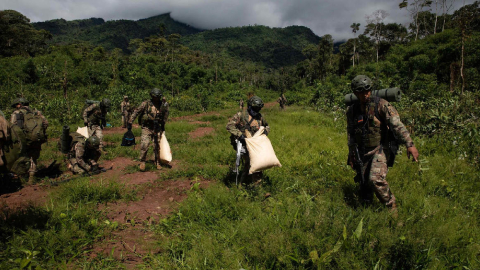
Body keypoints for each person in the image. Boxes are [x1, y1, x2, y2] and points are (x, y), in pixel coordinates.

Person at [346, 75, 419, 212]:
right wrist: (351, 154)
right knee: (364, 182)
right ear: (355, 92)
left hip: (380, 148)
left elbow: (397, 125)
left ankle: (392, 207)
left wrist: (409, 144)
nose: (365, 94)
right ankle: (366, 206)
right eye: (361, 91)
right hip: (362, 150)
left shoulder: (382, 105)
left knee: (375, 179)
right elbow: (350, 134)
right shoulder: (352, 111)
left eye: (367, 90)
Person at [226, 96, 270, 185]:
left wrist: (265, 131)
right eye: (255, 108)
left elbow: (267, 126)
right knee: (250, 162)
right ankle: (250, 185)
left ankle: (250, 184)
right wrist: (240, 135)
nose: (256, 110)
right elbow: (229, 126)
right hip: (243, 144)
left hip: (256, 144)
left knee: (255, 162)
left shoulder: (260, 117)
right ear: (249, 106)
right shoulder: (241, 115)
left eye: (258, 108)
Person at [128, 88, 169, 171]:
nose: (156, 98)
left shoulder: (162, 105)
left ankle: (157, 161)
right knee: (144, 145)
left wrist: (163, 125)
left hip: (157, 128)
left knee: (157, 146)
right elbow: (136, 112)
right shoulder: (146, 104)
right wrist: (130, 122)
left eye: (158, 97)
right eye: (155, 96)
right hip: (146, 127)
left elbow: (165, 115)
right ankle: (142, 161)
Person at [10, 97, 49, 182]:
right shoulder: (36, 112)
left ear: (20, 104)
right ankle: (32, 177)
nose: (16, 106)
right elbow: (46, 123)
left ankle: (22, 176)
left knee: (22, 157)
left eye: (17, 105)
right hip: (36, 137)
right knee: (33, 157)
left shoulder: (16, 113)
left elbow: (13, 127)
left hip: (24, 139)